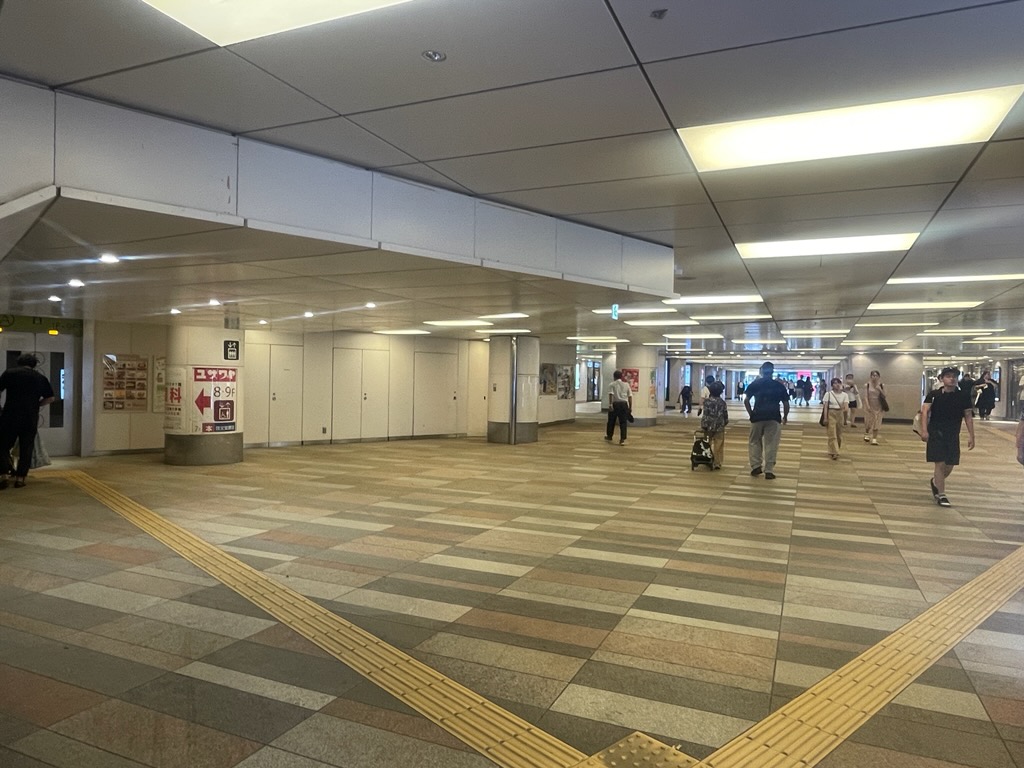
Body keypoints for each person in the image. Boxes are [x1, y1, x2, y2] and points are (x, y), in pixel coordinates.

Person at [920, 366, 975, 507]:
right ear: (942, 379)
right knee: (940, 463)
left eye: (954, 376)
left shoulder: (963, 396)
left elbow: (968, 415)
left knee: (950, 464)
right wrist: (924, 430)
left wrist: (971, 435)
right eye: (948, 376)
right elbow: (925, 412)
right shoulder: (934, 395)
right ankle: (941, 495)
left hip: (953, 433)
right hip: (936, 432)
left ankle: (935, 482)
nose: (952, 379)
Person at [0, 353, 56, 490]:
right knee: (26, 448)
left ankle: (4, 475)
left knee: (2, 445)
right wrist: (36, 404)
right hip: (30, 417)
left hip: (10, 415)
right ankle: (20, 479)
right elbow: (50, 398)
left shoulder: (9, 373)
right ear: (34, 364)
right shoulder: (40, 377)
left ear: (19, 362)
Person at [744, 361, 789, 480]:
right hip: (774, 417)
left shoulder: (755, 384)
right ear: (773, 371)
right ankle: (769, 470)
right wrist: (785, 416)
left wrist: (751, 414)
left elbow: (746, 400)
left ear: (761, 371)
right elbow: (786, 403)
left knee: (754, 441)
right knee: (771, 443)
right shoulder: (779, 385)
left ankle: (756, 466)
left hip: (757, 416)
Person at [700, 381, 728, 470]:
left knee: (707, 443)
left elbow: (705, 414)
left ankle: (707, 459)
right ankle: (717, 462)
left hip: (708, 426)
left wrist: (703, 425)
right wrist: (725, 422)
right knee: (718, 444)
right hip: (719, 426)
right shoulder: (722, 402)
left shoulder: (707, 402)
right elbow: (725, 414)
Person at [822, 377, 850, 460]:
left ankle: (834, 450)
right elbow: (825, 407)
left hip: (840, 414)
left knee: (839, 434)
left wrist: (843, 410)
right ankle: (835, 452)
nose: (837, 385)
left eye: (838, 383)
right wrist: (825, 418)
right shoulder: (828, 394)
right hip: (831, 413)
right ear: (832, 385)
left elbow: (846, 408)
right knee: (832, 433)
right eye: (835, 383)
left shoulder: (845, 395)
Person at [605, 369, 632, 445]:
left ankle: (609, 436)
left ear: (614, 377)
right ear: (621, 377)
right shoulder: (626, 385)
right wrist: (630, 407)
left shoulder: (612, 384)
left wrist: (610, 405)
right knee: (623, 422)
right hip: (624, 404)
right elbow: (630, 396)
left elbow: (611, 394)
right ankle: (622, 439)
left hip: (615, 404)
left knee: (611, 421)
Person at [862, 369, 886, 444]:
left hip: (879, 406)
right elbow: (865, 396)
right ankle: (867, 433)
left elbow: (884, 395)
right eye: (873, 375)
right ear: (871, 376)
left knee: (877, 422)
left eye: (876, 375)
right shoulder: (867, 385)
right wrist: (867, 405)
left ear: (879, 377)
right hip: (869, 405)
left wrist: (880, 389)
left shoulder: (882, 385)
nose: (874, 377)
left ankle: (874, 438)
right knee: (868, 421)